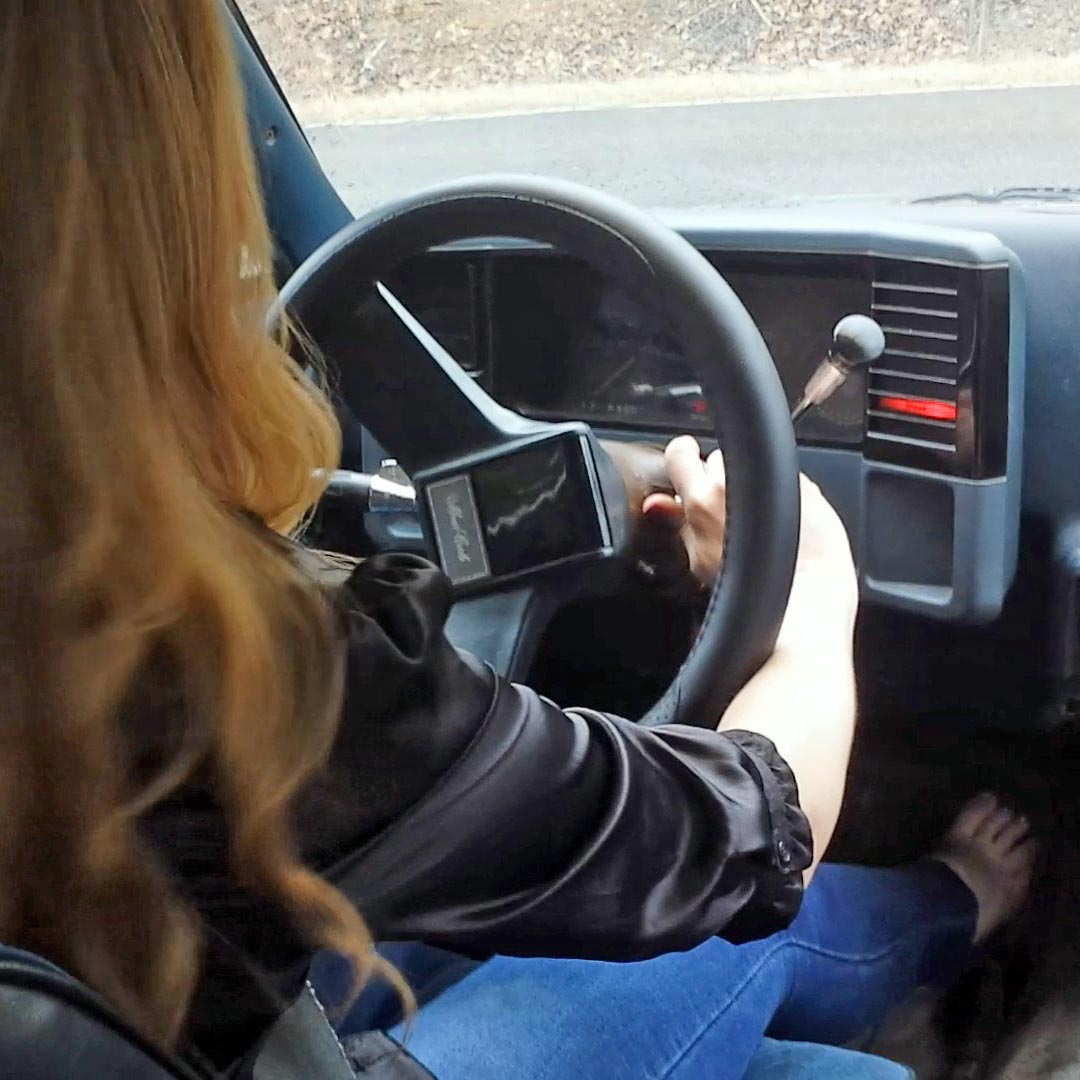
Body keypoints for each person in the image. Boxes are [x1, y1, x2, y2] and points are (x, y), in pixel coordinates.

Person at [0, 2, 1036, 1078]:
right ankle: (952, 912)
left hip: (166, 1017)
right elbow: (741, 837)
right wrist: (813, 592)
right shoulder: (208, 654)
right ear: (154, 195)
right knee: (762, 961)